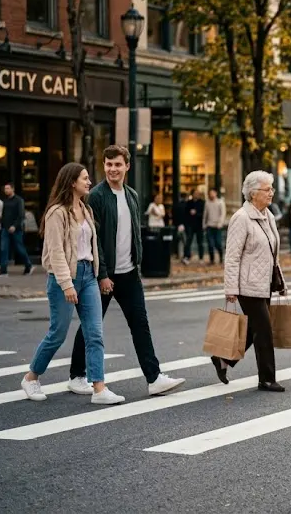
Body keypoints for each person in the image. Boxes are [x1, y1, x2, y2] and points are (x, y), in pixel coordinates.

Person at [66, 146, 185, 397]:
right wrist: (102, 275)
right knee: (91, 324)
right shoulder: (96, 196)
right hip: (105, 274)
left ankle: (154, 378)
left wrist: (137, 263)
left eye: (118, 164)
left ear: (127, 166)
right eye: (108, 164)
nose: (112, 169)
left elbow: (133, 233)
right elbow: (95, 239)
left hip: (129, 272)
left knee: (140, 324)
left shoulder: (132, 195)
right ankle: (77, 375)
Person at [20, 163, 124, 404]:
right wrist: (67, 284)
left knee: (95, 333)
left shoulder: (85, 209)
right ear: (72, 182)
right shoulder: (57, 212)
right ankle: (31, 377)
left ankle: (99, 389)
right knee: (57, 333)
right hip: (63, 277)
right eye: (85, 178)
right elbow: (56, 252)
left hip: (88, 276)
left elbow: (91, 248)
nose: (89, 182)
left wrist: (99, 276)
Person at [213, 171, 288, 392]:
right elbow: (232, 256)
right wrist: (230, 289)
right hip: (248, 286)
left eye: (271, 188)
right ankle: (266, 378)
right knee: (263, 330)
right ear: (253, 193)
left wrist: (280, 281)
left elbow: (273, 254)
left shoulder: (268, 216)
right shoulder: (241, 218)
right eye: (267, 189)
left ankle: (222, 358)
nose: (271, 193)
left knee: (253, 330)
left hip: (264, 284)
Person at [0, 182, 32, 277]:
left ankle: (28, 265)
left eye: (8, 188)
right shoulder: (4, 201)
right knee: (3, 249)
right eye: (5, 189)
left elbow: (21, 215)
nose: (6, 190)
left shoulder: (19, 200)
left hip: (16, 229)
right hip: (5, 228)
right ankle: (3, 270)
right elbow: (4, 215)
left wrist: (14, 225)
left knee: (19, 249)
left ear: (12, 189)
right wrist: (4, 225)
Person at [203, 188, 227, 264]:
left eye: (212, 193)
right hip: (209, 226)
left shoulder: (220, 202)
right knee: (210, 244)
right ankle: (212, 260)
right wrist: (204, 224)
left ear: (216, 193)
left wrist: (220, 223)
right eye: (210, 193)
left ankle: (221, 258)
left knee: (218, 243)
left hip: (217, 226)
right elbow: (205, 214)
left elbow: (223, 214)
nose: (211, 195)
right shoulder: (207, 203)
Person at [182, 190, 205, 264]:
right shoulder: (189, 203)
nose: (196, 195)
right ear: (192, 194)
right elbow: (185, 214)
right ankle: (186, 257)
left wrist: (196, 213)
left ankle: (201, 258)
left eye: (198, 194)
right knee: (188, 241)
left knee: (200, 242)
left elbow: (204, 214)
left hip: (199, 225)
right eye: (195, 194)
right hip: (190, 225)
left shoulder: (202, 202)